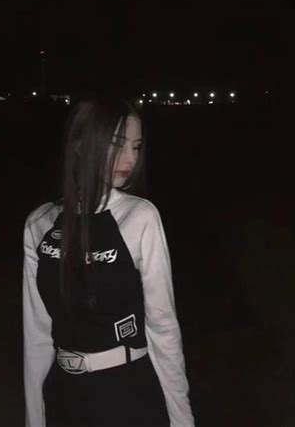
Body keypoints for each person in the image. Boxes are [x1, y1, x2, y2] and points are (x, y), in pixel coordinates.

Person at [23, 95, 195, 426]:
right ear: (79, 145)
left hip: (127, 393)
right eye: (118, 144)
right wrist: (34, 418)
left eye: (136, 146)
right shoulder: (39, 224)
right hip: (64, 396)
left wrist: (182, 420)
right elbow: (37, 334)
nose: (130, 158)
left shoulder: (140, 217)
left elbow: (163, 328)